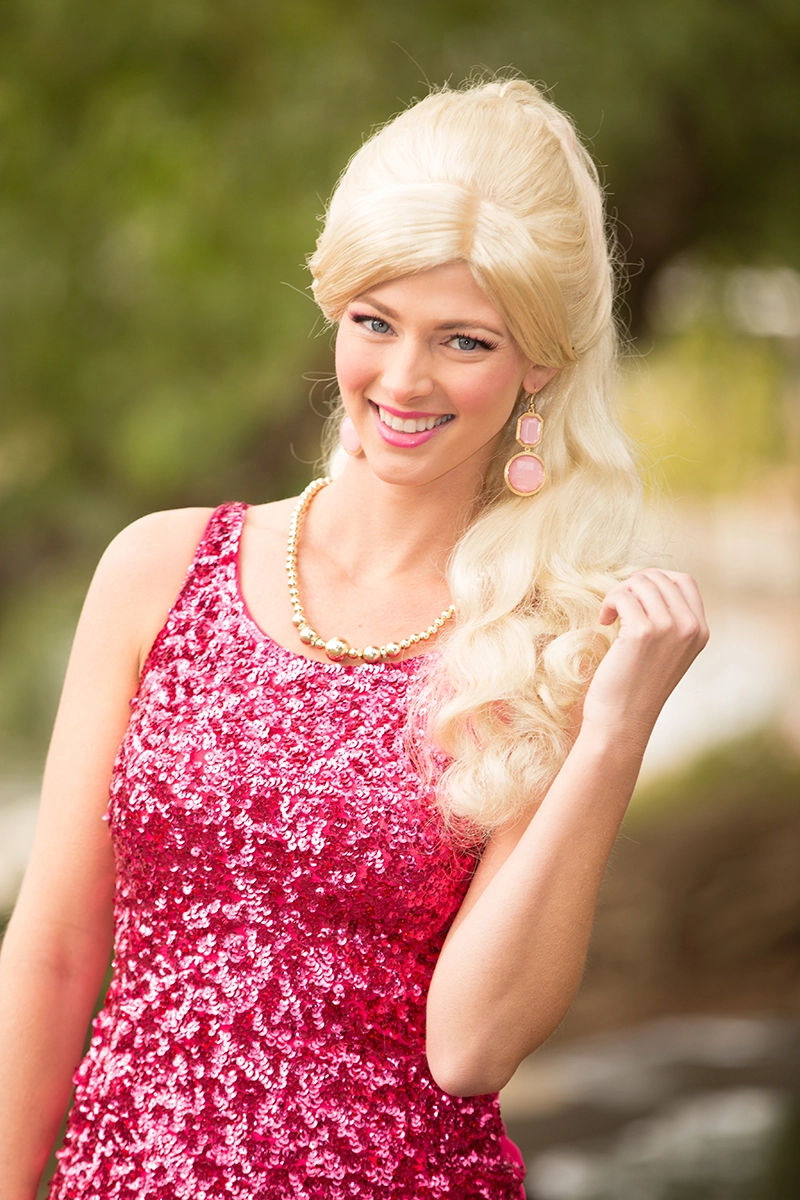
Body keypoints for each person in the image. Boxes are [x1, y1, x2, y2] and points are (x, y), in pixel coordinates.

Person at [0, 77, 708, 1199]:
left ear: (539, 363)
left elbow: (471, 1047)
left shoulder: (555, 648)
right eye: (375, 323)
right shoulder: (157, 570)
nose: (404, 379)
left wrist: (615, 731)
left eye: (463, 340)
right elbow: (49, 954)